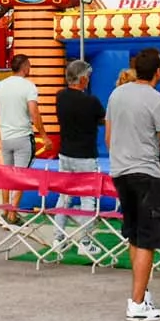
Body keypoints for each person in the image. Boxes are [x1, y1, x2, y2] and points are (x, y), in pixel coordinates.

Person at [106, 47, 160, 321]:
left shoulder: (117, 94)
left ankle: (141, 292)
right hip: (147, 174)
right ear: (158, 72)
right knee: (147, 239)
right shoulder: (158, 101)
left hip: (120, 172)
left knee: (135, 234)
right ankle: (136, 304)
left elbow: (109, 137)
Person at [53, 59, 105, 258]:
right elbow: (102, 117)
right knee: (87, 199)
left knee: (64, 196)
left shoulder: (60, 97)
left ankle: (58, 237)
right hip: (85, 155)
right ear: (83, 79)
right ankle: (85, 240)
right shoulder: (90, 102)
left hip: (65, 153)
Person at [0, 55, 44, 214]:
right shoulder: (29, 87)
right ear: (24, 67)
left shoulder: (0, 87)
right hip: (23, 137)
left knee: (7, 174)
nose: (30, 69)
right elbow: (34, 113)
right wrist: (43, 135)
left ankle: (5, 208)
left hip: (6, 138)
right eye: (29, 66)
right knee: (21, 176)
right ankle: (12, 213)